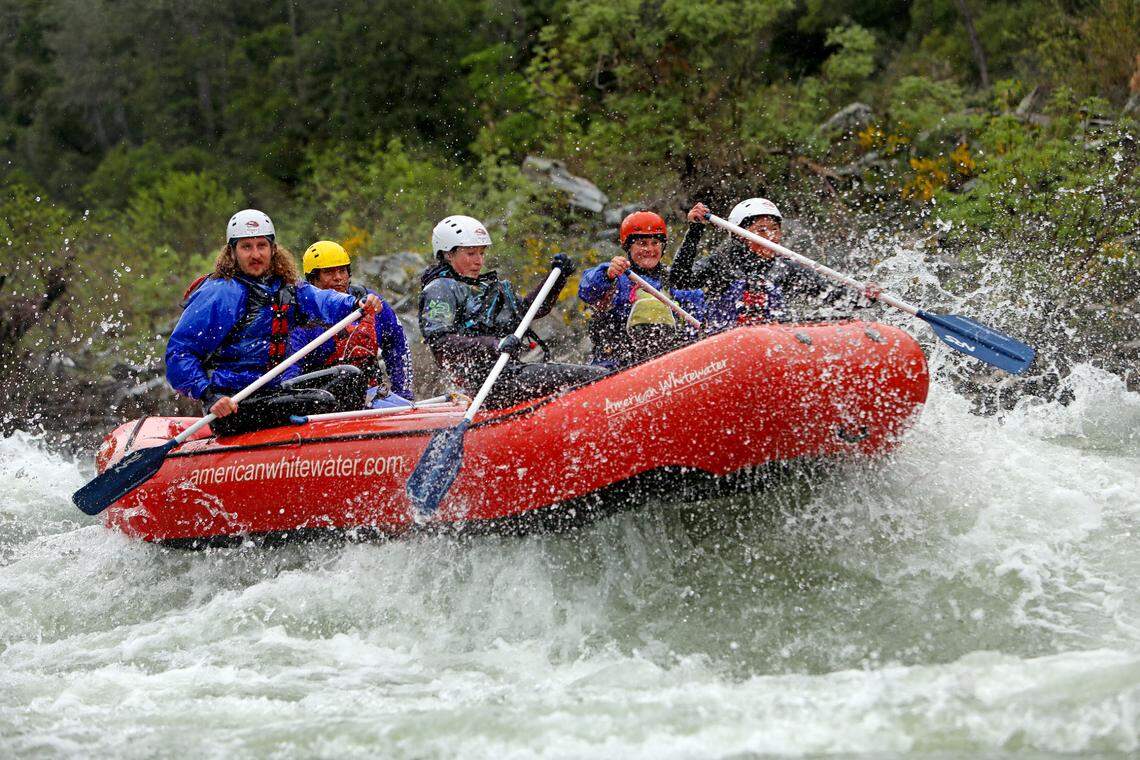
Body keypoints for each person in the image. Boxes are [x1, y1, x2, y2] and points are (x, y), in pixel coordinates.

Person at [166, 209, 383, 436]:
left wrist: (355, 303)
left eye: (261, 245)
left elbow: (322, 299)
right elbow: (179, 353)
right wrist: (208, 395)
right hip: (233, 404)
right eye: (246, 247)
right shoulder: (219, 293)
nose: (255, 254)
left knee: (349, 377)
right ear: (232, 252)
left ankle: (347, 450)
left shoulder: (284, 287)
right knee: (320, 400)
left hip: (273, 391)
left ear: (273, 249)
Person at [418, 214, 607, 408]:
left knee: (594, 375)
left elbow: (528, 312)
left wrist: (556, 280)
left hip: (508, 373)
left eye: (482, 253)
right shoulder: (440, 288)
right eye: (471, 254)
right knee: (597, 376)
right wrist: (495, 344)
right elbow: (440, 342)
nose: (479, 261)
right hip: (484, 383)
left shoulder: (486, 287)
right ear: (449, 254)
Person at [670, 198, 858, 332]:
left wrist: (864, 296)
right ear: (739, 235)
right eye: (761, 230)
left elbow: (832, 296)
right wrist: (695, 231)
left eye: (775, 229)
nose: (771, 236)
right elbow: (680, 280)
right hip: (725, 345)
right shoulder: (722, 262)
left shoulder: (786, 268)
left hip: (772, 344)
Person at [577, 210, 705, 368]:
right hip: (615, 367)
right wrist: (608, 275)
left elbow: (698, 312)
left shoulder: (672, 281)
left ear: (662, 246)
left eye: (655, 243)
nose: (649, 249)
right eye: (642, 243)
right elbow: (587, 291)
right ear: (628, 246)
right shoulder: (616, 274)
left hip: (667, 366)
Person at [295, 240, 413, 408]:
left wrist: (404, 393)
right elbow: (291, 371)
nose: (338, 278)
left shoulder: (369, 301)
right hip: (323, 402)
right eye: (328, 272)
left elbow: (398, 345)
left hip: (371, 396)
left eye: (342, 270)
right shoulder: (301, 314)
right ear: (313, 279)